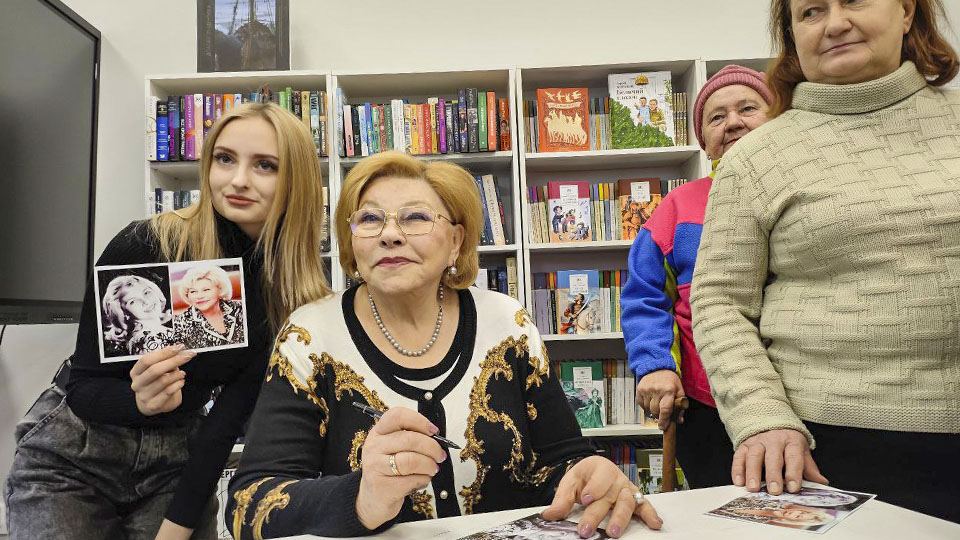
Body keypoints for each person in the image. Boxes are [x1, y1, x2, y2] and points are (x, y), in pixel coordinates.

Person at [226, 151, 662, 539]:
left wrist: (588, 474)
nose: (390, 234)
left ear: (455, 241)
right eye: (370, 219)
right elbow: (248, 504)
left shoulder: (508, 323)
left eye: (415, 217)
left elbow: (562, 459)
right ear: (351, 241)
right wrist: (361, 498)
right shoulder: (309, 336)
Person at [4, 102, 332, 540]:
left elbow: (226, 423)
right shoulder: (147, 242)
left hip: (176, 463)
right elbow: (83, 388)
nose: (238, 180)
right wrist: (136, 401)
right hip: (75, 455)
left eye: (265, 165)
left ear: (297, 181)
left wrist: (176, 529)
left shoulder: (286, 292)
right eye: (225, 159)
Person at [689, 0, 960, 522]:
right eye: (811, 11)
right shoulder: (754, 159)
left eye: (855, 0)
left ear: (907, 12)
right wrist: (760, 415)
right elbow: (718, 300)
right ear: (792, 35)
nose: (836, 23)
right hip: (818, 452)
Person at [620, 65, 772, 488]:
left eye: (748, 109)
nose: (733, 122)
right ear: (703, 139)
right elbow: (643, 296)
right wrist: (655, 366)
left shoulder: (805, 193)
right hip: (707, 405)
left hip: (805, 399)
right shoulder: (677, 207)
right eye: (717, 117)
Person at [101, 274, 175, 355]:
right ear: (123, 313)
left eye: (146, 292)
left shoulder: (157, 330)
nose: (146, 301)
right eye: (132, 301)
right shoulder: (146, 341)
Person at [173, 264, 245, 348]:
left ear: (220, 289)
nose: (199, 296)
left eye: (206, 290)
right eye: (193, 291)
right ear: (187, 295)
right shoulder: (179, 324)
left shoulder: (241, 308)